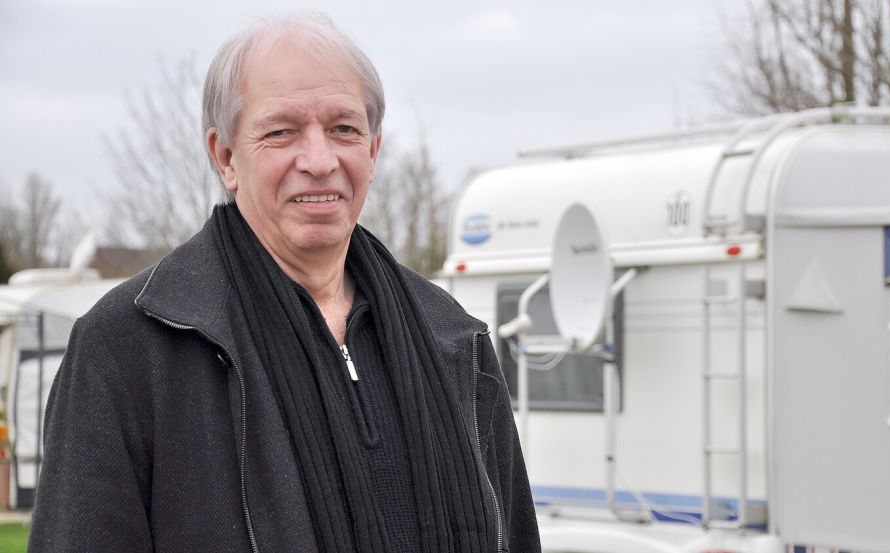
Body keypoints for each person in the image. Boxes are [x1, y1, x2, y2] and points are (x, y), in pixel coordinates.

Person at [29, 13, 540, 553]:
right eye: (281, 132)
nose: (319, 161)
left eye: (344, 128)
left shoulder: (456, 343)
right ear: (226, 157)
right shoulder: (131, 346)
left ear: (372, 148)